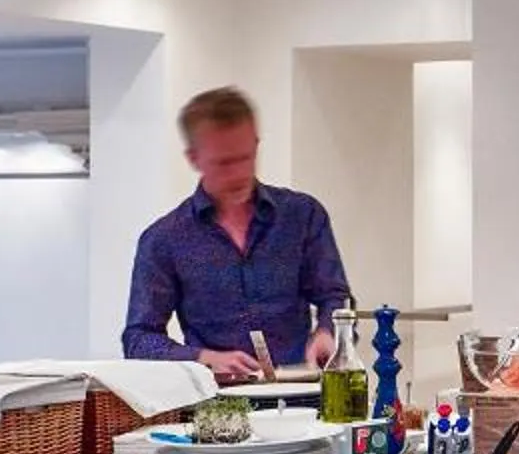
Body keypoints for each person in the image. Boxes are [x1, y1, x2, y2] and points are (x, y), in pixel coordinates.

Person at [122, 86, 351, 380]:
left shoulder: (302, 215)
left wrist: (329, 334)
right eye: (224, 163)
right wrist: (204, 360)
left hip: (303, 398)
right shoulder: (164, 239)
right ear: (194, 158)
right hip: (216, 408)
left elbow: (336, 298)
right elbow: (139, 339)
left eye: (246, 157)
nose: (240, 173)